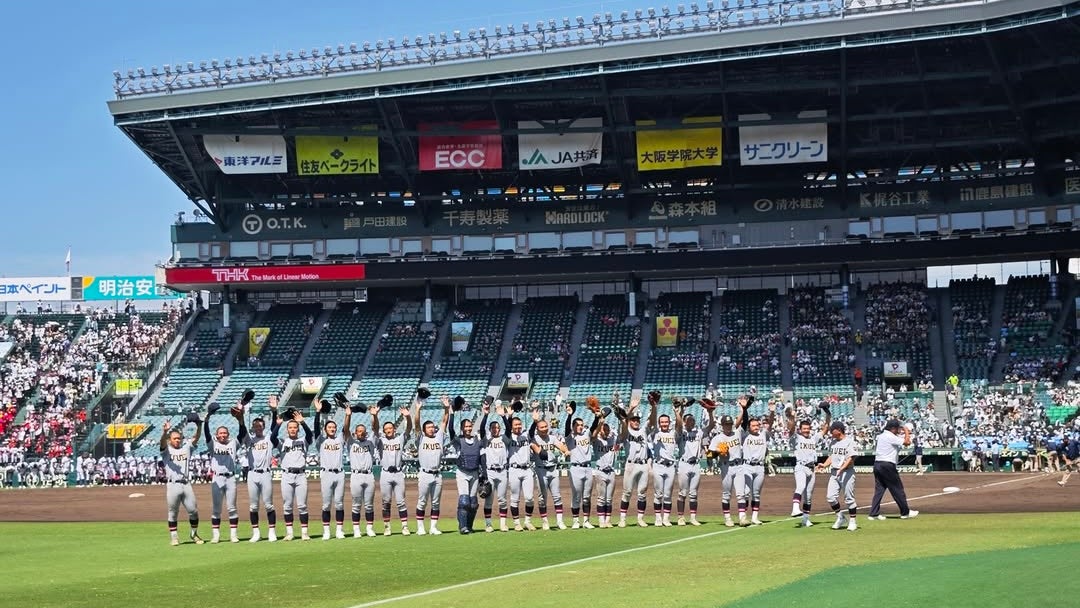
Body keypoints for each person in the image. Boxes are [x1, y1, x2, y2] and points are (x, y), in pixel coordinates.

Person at [271, 402, 314, 541]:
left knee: (302, 505)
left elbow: (309, 435)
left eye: (295, 427)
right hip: (287, 475)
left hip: (301, 475)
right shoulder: (283, 442)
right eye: (290, 427)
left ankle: (304, 532)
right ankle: (289, 533)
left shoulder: (303, 441)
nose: (293, 429)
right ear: (287, 429)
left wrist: (303, 422)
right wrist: (278, 424)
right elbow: (272, 438)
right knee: (287, 506)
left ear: (298, 429)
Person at [371, 400, 414, 536]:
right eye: (386, 429)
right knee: (386, 502)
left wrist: (407, 416)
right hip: (385, 474)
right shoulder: (380, 440)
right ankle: (387, 527)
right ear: (384, 431)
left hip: (398, 473)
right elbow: (375, 429)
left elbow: (408, 429)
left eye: (390, 428)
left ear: (394, 429)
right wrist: (375, 416)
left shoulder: (400, 439)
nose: (388, 430)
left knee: (401, 501)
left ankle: (405, 526)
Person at [203, 405, 244, 543]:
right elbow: (207, 434)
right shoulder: (212, 444)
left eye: (224, 433)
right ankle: (216, 535)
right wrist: (207, 419)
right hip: (217, 478)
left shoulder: (233, 443)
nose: (222, 435)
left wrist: (240, 420)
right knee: (216, 508)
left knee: (232, 507)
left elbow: (242, 434)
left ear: (228, 434)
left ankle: (233, 535)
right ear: (217, 435)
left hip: (231, 478)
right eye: (220, 433)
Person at [786, 401, 831, 528]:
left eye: (808, 428)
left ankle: (805, 519)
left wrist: (827, 413)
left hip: (812, 469)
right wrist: (793, 418)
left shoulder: (813, 439)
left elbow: (825, 428)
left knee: (809, 496)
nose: (806, 430)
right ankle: (795, 508)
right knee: (800, 487)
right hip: (801, 466)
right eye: (804, 429)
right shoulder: (797, 438)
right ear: (800, 430)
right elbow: (791, 428)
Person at [160, 414, 203, 546]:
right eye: (175, 439)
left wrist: (199, 425)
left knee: (193, 511)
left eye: (179, 438)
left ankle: (193, 534)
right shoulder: (166, 451)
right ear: (170, 440)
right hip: (173, 485)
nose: (177, 440)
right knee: (173, 512)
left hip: (186, 484)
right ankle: (174, 537)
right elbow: (161, 443)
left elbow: (196, 438)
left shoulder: (186, 448)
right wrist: (165, 432)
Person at [867, 419, 918, 521]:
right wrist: (907, 431)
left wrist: (903, 432)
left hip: (877, 464)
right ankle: (905, 512)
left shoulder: (882, 436)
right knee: (898, 489)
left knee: (879, 490)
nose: (899, 430)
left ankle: (873, 514)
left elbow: (898, 439)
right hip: (887, 465)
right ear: (893, 428)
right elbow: (907, 442)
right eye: (898, 428)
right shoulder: (890, 436)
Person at [529, 408, 571, 530]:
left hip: (552, 469)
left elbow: (560, 445)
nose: (545, 429)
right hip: (540, 469)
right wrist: (534, 420)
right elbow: (531, 436)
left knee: (557, 496)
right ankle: (545, 521)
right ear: (537, 429)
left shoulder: (551, 438)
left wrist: (566, 451)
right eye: (541, 427)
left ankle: (559, 521)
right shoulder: (534, 438)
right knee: (542, 497)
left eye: (546, 426)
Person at [414, 397, 450, 535]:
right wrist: (417, 410)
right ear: (424, 430)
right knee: (422, 502)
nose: (432, 428)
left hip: (437, 474)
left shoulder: (439, 437)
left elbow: (444, 421)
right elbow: (416, 424)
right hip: (424, 474)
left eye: (432, 427)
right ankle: (420, 527)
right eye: (428, 427)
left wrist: (446, 408)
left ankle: (433, 527)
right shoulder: (420, 438)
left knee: (436, 503)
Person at [675, 402, 715, 526]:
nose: (691, 422)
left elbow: (711, 425)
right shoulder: (681, 433)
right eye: (689, 420)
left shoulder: (699, 432)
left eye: (693, 420)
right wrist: (680, 412)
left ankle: (693, 517)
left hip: (696, 464)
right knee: (682, 492)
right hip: (684, 464)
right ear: (685, 422)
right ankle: (681, 517)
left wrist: (710, 412)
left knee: (694, 493)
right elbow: (678, 425)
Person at [449, 398, 484, 534]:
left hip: (475, 473)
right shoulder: (458, 441)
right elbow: (451, 430)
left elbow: (483, 431)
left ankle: (469, 526)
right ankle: (462, 527)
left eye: (470, 426)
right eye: (466, 427)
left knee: (473, 503)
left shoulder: (477, 440)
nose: (468, 428)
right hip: (463, 473)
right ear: (462, 428)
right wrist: (451, 413)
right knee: (464, 501)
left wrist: (485, 414)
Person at [314, 403, 349, 540]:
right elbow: (316, 429)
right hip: (326, 473)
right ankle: (326, 531)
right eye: (329, 427)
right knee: (326, 504)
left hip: (339, 473)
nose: (332, 429)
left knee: (339, 503)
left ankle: (339, 530)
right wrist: (317, 412)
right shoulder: (321, 440)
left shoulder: (340, 439)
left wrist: (347, 414)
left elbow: (345, 429)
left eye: (334, 427)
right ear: (325, 429)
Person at [244, 399, 277, 542]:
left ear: (263, 427)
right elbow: (241, 429)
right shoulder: (249, 440)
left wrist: (274, 411)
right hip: (252, 474)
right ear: (253, 427)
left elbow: (275, 427)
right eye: (255, 426)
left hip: (265, 473)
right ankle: (256, 532)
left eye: (260, 426)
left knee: (269, 504)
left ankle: (272, 531)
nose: (257, 428)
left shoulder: (268, 439)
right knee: (253, 506)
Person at [564, 400, 600, 529]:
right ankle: (575, 521)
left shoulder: (586, 435)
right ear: (574, 426)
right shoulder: (570, 438)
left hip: (588, 468)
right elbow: (566, 427)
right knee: (576, 496)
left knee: (587, 496)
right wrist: (569, 415)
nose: (580, 426)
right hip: (576, 468)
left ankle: (586, 520)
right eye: (578, 425)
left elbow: (594, 426)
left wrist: (596, 416)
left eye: (582, 424)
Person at [647, 394, 681, 527]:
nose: (664, 424)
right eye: (662, 422)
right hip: (659, 465)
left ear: (669, 423)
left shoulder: (673, 433)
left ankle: (666, 518)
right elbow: (652, 421)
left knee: (668, 494)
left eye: (666, 422)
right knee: (658, 494)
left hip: (670, 466)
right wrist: (654, 407)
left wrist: (677, 413)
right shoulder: (656, 433)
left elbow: (679, 425)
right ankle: (658, 518)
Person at [817, 421, 858, 532]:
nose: (830, 432)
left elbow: (851, 458)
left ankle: (853, 521)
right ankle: (840, 517)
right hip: (835, 472)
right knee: (830, 497)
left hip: (847, 472)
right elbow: (832, 456)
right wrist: (824, 465)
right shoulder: (833, 442)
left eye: (832, 430)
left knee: (849, 498)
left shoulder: (849, 442)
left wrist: (843, 468)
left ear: (839, 430)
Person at [706, 411, 744, 528]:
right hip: (726, 466)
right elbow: (709, 455)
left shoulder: (737, 433)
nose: (728, 426)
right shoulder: (718, 438)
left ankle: (742, 518)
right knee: (726, 494)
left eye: (729, 424)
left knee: (741, 494)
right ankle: (727, 518)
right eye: (726, 424)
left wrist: (743, 409)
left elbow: (745, 422)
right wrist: (718, 452)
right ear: (722, 426)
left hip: (739, 466)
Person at [617, 396, 651, 528]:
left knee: (642, 493)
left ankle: (640, 518)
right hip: (631, 464)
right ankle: (622, 519)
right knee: (627, 492)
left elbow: (652, 421)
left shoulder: (643, 431)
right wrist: (631, 408)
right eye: (634, 420)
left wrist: (653, 407)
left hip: (643, 464)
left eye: (637, 420)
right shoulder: (627, 431)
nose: (636, 422)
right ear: (630, 421)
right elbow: (624, 423)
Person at [345, 416, 378, 538]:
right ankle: (356, 529)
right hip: (356, 475)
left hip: (369, 475)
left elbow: (376, 429)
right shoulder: (351, 443)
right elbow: (346, 429)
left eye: (363, 431)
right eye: (359, 431)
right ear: (355, 433)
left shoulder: (370, 442)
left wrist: (374, 416)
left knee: (369, 504)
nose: (361, 432)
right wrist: (348, 415)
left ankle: (369, 528)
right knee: (356, 504)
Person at [503, 407, 535, 531]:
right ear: (511, 426)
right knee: (515, 498)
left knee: (529, 498)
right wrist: (508, 417)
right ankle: (516, 523)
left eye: (519, 424)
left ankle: (527, 521)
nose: (518, 426)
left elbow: (532, 432)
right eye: (515, 425)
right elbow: (507, 430)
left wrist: (535, 421)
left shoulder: (525, 435)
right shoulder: (508, 437)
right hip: (514, 470)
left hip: (527, 469)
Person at [479, 401, 509, 533]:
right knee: (489, 500)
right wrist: (485, 415)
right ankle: (488, 524)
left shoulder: (504, 439)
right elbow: (481, 430)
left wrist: (503, 416)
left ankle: (503, 524)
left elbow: (509, 429)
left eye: (497, 428)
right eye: (493, 428)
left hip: (502, 471)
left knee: (502, 499)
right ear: (490, 429)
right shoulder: (486, 440)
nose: (495, 429)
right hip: (490, 472)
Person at [593, 411, 621, 528]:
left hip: (611, 471)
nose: (606, 431)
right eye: (604, 430)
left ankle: (608, 520)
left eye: (607, 430)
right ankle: (601, 520)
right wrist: (600, 423)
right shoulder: (596, 440)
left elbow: (620, 434)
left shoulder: (612, 439)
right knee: (601, 498)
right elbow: (593, 435)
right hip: (600, 471)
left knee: (609, 499)